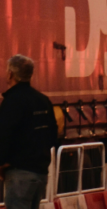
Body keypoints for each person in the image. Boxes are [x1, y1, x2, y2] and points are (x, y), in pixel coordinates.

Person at [0, 55, 60, 209]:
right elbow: (53, 136)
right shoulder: (43, 100)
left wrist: (2, 163)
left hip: (19, 174)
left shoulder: (12, 101)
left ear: (11, 74)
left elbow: (4, 135)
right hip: (40, 173)